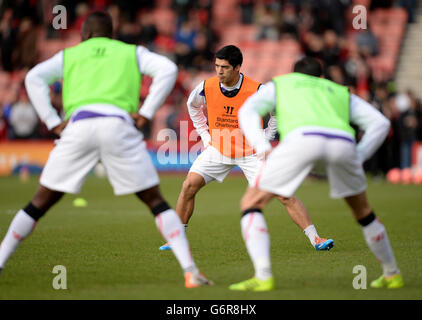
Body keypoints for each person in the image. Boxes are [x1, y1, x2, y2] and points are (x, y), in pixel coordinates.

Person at [0, 11, 212, 289]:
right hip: (118, 125)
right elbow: (168, 70)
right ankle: (190, 272)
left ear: (84, 35)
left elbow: (33, 79)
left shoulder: (70, 55)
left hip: (79, 126)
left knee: (38, 203)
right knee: (155, 201)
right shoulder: (129, 52)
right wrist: (146, 112)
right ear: (112, 35)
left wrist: (53, 121)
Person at [231, 57, 404, 291]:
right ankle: (392, 273)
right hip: (342, 144)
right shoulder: (337, 90)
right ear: (321, 77)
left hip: (301, 140)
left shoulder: (282, 84)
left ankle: (263, 276)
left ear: (294, 74)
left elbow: (248, 110)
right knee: (363, 212)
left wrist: (262, 147)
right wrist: (359, 155)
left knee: (251, 203)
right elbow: (381, 123)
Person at [159, 45, 334, 252]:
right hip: (219, 149)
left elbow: (276, 115)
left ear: (238, 67)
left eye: (224, 67)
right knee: (188, 186)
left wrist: (265, 139)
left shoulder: (257, 89)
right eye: (217, 66)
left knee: (284, 194)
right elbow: (193, 106)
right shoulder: (206, 87)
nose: (219, 71)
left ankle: (316, 238)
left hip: (251, 154)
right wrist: (205, 136)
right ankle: (176, 239)